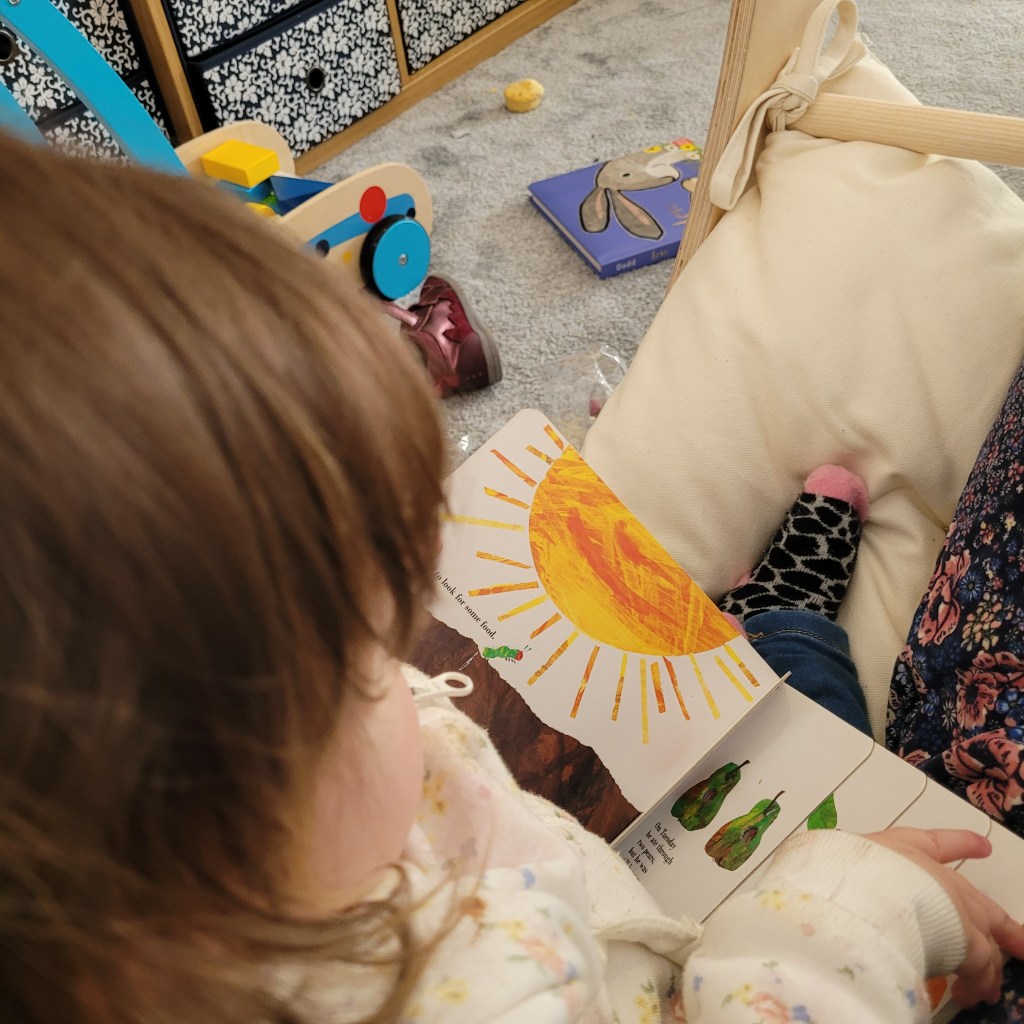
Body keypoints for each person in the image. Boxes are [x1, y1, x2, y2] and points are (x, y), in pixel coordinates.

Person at [1, 132, 1022, 1024]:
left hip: (592, 887)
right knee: (808, 691)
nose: (414, 675)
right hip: (711, 955)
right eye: (357, 667)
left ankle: (776, 621)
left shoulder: (271, 867)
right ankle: (787, 615)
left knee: (764, 681)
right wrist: (845, 927)